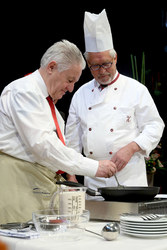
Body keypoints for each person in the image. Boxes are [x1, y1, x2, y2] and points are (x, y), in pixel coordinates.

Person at [0, 40, 117, 223]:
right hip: (18, 183)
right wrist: (94, 167)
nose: (71, 88)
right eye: (70, 80)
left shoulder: (47, 101)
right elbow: (43, 146)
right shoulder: (24, 91)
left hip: (37, 184)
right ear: (52, 67)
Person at [65, 10, 165, 199]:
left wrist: (132, 147)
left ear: (115, 58)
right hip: (93, 181)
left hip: (130, 179)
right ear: (88, 63)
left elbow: (155, 125)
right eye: (95, 66)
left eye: (106, 64)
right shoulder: (80, 95)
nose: (102, 71)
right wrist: (72, 179)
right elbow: (71, 143)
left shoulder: (136, 89)